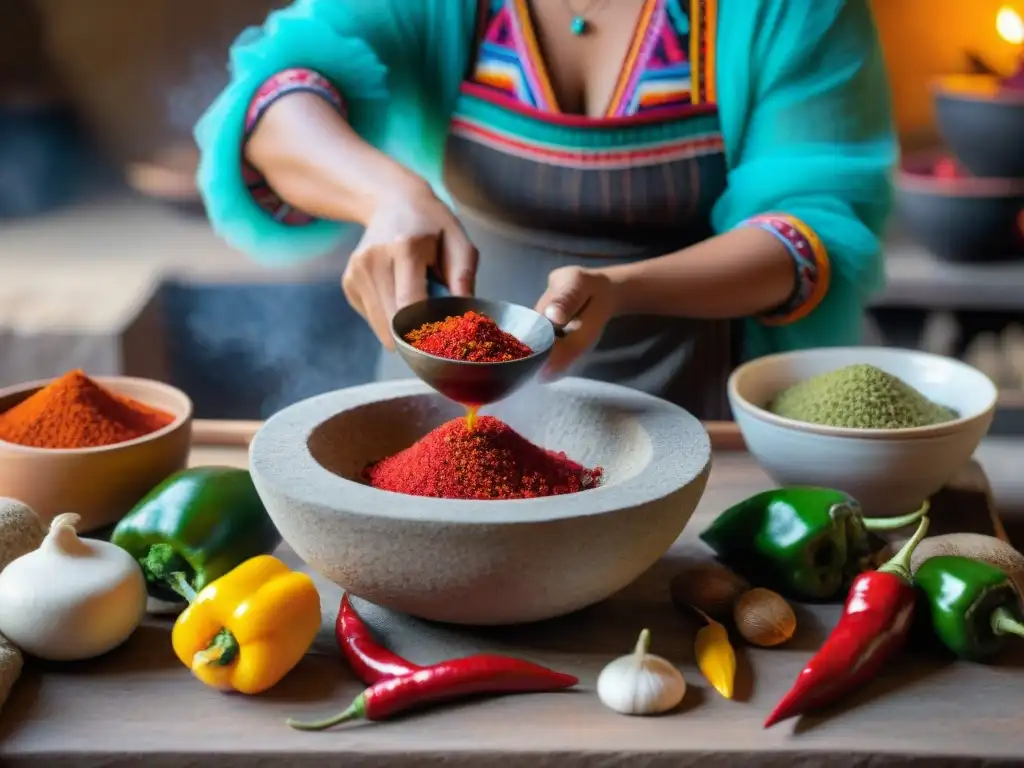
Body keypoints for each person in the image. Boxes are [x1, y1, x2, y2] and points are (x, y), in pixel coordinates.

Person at [194, 0, 896, 419]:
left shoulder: (788, 12)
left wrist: (622, 289)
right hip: (440, 401)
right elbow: (276, 100)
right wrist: (388, 196)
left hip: (684, 413)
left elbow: (809, 233)